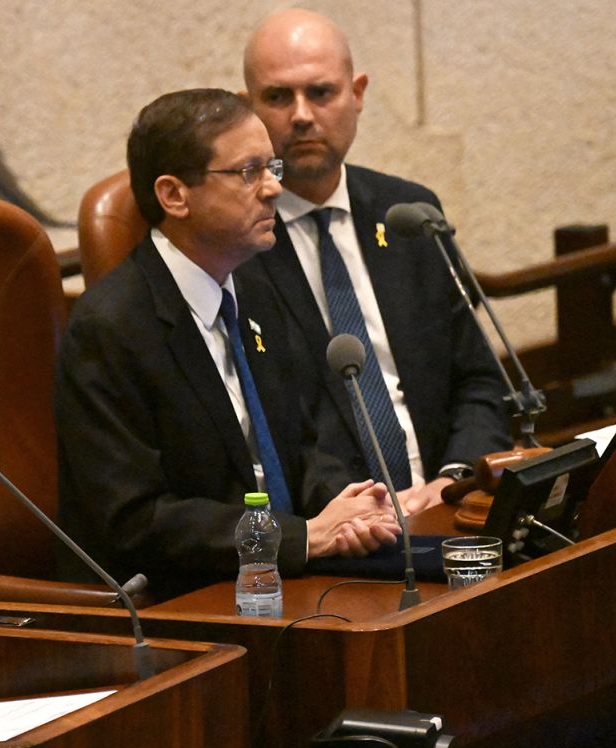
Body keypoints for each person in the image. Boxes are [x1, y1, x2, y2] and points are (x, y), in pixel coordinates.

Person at [55, 88, 400, 602]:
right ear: (174, 195)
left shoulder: (256, 285)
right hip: (185, 600)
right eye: (248, 172)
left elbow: (305, 439)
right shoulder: (110, 329)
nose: (272, 190)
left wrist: (346, 509)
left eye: (273, 167)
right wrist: (303, 537)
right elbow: (135, 519)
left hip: (287, 579)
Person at [240, 9, 509, 514]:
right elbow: (264, 429)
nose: (301, 115)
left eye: (321, 92)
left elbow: (477, 378)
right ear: (246, 109)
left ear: (357, 94)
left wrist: (455, 480)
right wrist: (362, 510)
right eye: (278, 97)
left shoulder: (408, 213)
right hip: (336, 528)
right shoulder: (234, 244)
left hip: (448, 506)